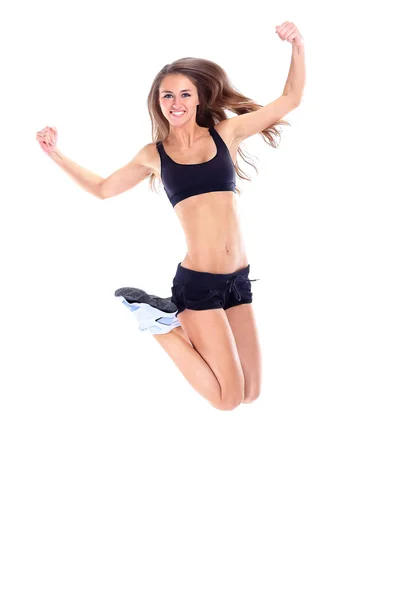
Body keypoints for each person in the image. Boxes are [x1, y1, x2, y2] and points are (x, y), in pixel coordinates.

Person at [36, 22, 305, 411]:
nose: (175, 102)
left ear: (198, 99)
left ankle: (165, 320)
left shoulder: (225, 134)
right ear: (157, 102)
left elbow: (291, 97)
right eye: (167, 95)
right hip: (198, 285)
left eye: (184, 94)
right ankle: (159, 323)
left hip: (237, 280)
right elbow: (103, 189)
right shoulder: (154, 155)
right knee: (227, 400)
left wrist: (297, 45)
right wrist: (56, 154)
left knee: (251, 393)